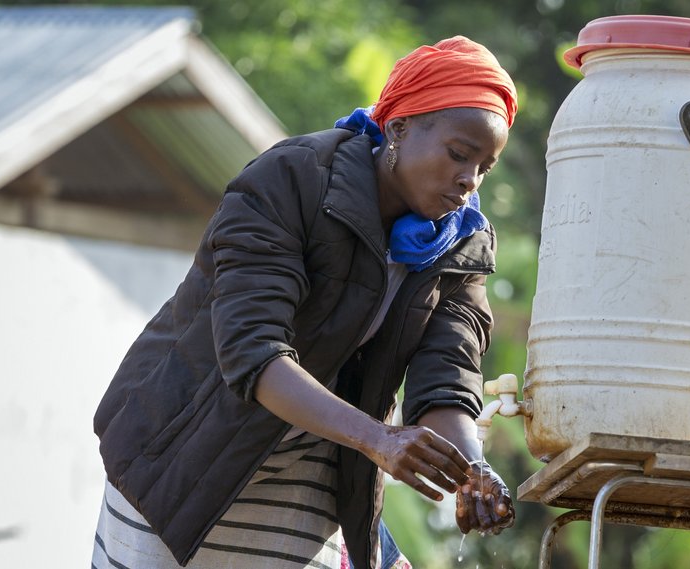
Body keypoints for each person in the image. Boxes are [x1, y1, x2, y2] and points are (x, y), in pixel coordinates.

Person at [91, 35, 518, 569]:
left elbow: (447, 377)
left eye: (485, 167)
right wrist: (379, 439)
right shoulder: (292, 180)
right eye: (459, 154)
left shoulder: (460, 242)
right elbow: (253, 353)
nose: (468, 180)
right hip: (185, 458)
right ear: (399, 128)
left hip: (310, 479)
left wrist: (472, 467)